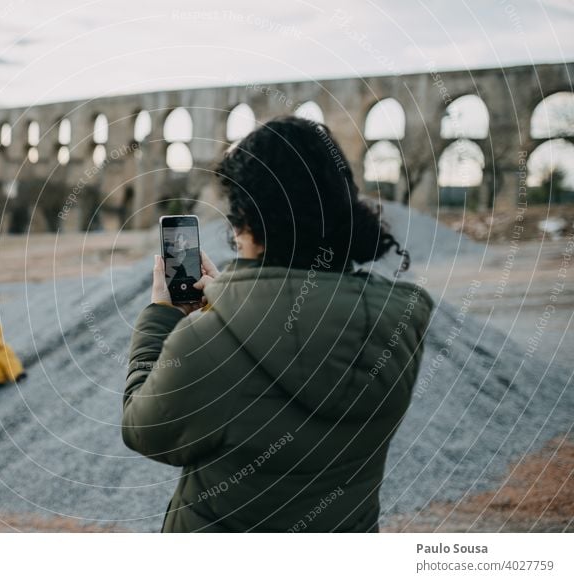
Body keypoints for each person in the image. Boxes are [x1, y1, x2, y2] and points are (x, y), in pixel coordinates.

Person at [122, 116, 434, 532]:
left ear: (247, 223)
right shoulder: (400, 321)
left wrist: (164, 314)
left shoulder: (205, 343)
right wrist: (235, 305)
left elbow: (145, 431)